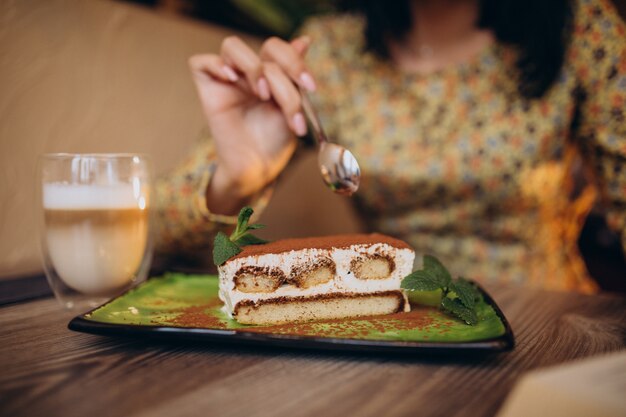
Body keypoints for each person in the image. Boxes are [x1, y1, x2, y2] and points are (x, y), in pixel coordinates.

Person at [154, 0, 626, 293]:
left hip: (547, 327)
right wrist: (239, 176)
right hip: (397, 328)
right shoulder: (328, 52)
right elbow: (162, 234)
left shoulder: (583, 27)